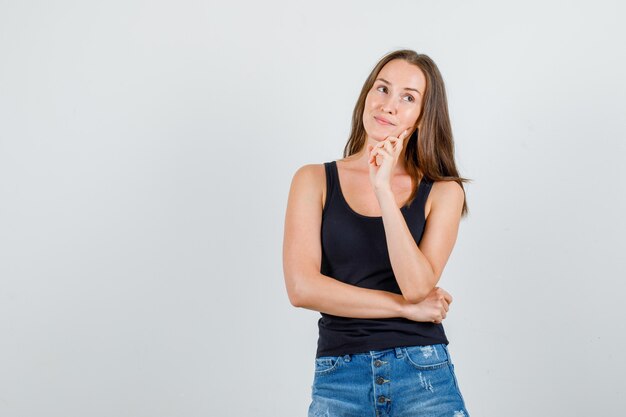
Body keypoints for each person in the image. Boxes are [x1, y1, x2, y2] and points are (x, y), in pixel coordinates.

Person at [282, 49, 471, 417]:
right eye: (382, 89)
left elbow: (417, 285)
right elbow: (302, 289)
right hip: (339, 377)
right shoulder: (314, 180)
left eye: (408, 97)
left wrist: (383, 188)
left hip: (423, 374)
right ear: (367, 96)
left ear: (421, 118)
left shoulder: (444, 191)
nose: (389, 105)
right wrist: (406, 309)